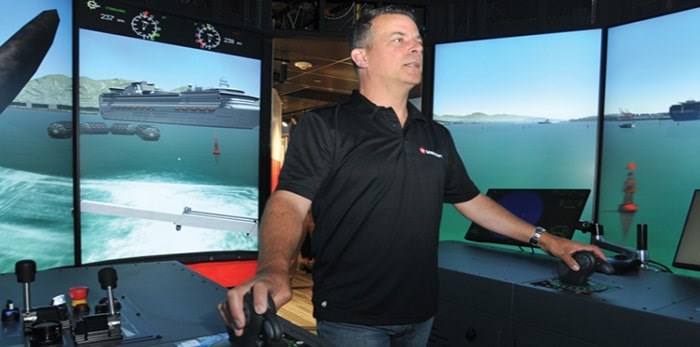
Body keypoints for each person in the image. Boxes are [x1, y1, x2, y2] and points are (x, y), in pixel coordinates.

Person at [220, 5, 605, 346]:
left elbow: (473, 203)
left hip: (420, 313)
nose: (416, 48)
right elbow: (289, 200)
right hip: (352, 317)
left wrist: (549, 240)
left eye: (418, 41)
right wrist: (272, 269)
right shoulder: (326, 126)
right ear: (361, 56)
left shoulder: (435, 134)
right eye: (399, 39)